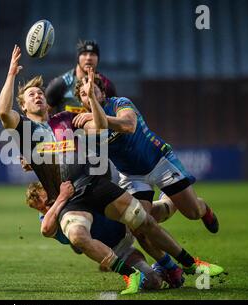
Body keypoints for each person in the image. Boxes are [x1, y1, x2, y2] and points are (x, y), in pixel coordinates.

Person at [0, 46, 223, 294]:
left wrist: (91, 106)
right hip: (71, 200)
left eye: (40, 92)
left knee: (144, 222)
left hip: (95, 184)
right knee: (77, 237)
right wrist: (10, 74)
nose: (38, 96)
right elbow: (2, 112)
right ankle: (131, 275)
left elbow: (103, 126)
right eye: (31, 95)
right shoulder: (25, 130)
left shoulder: (65, 119)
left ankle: (191, 265)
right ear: (23, 105)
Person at [73, 73, 221, 278]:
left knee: (193, 212)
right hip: (132, 176)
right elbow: (96, 129)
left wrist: (95, 114)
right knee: (140, 226)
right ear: (80, 100)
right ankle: (168, 266)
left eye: (93, 90)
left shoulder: (120, 103)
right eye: (84, 93)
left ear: (103, 92)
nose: (89, 94)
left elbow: (128, 126)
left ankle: (203, 208)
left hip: (159, 161)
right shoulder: (85, 124)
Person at [26, 180, 171, 291]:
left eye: (47, 202)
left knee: (166, 208)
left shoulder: (73, 190)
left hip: (124, 222)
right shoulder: (49, 219)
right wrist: (61, 198)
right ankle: (158, 268)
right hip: (119, 250)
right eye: (42, 209)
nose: (47, 208)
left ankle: (173, 188)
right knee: (152, 282)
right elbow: (45, 229)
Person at [45, 40, 117, 115]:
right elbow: (43, 114)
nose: (88, 58)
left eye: (92, 54)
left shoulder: (106, 85)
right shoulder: (60, 84)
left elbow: (116, 115)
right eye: (84, 54)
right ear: (78, 58)